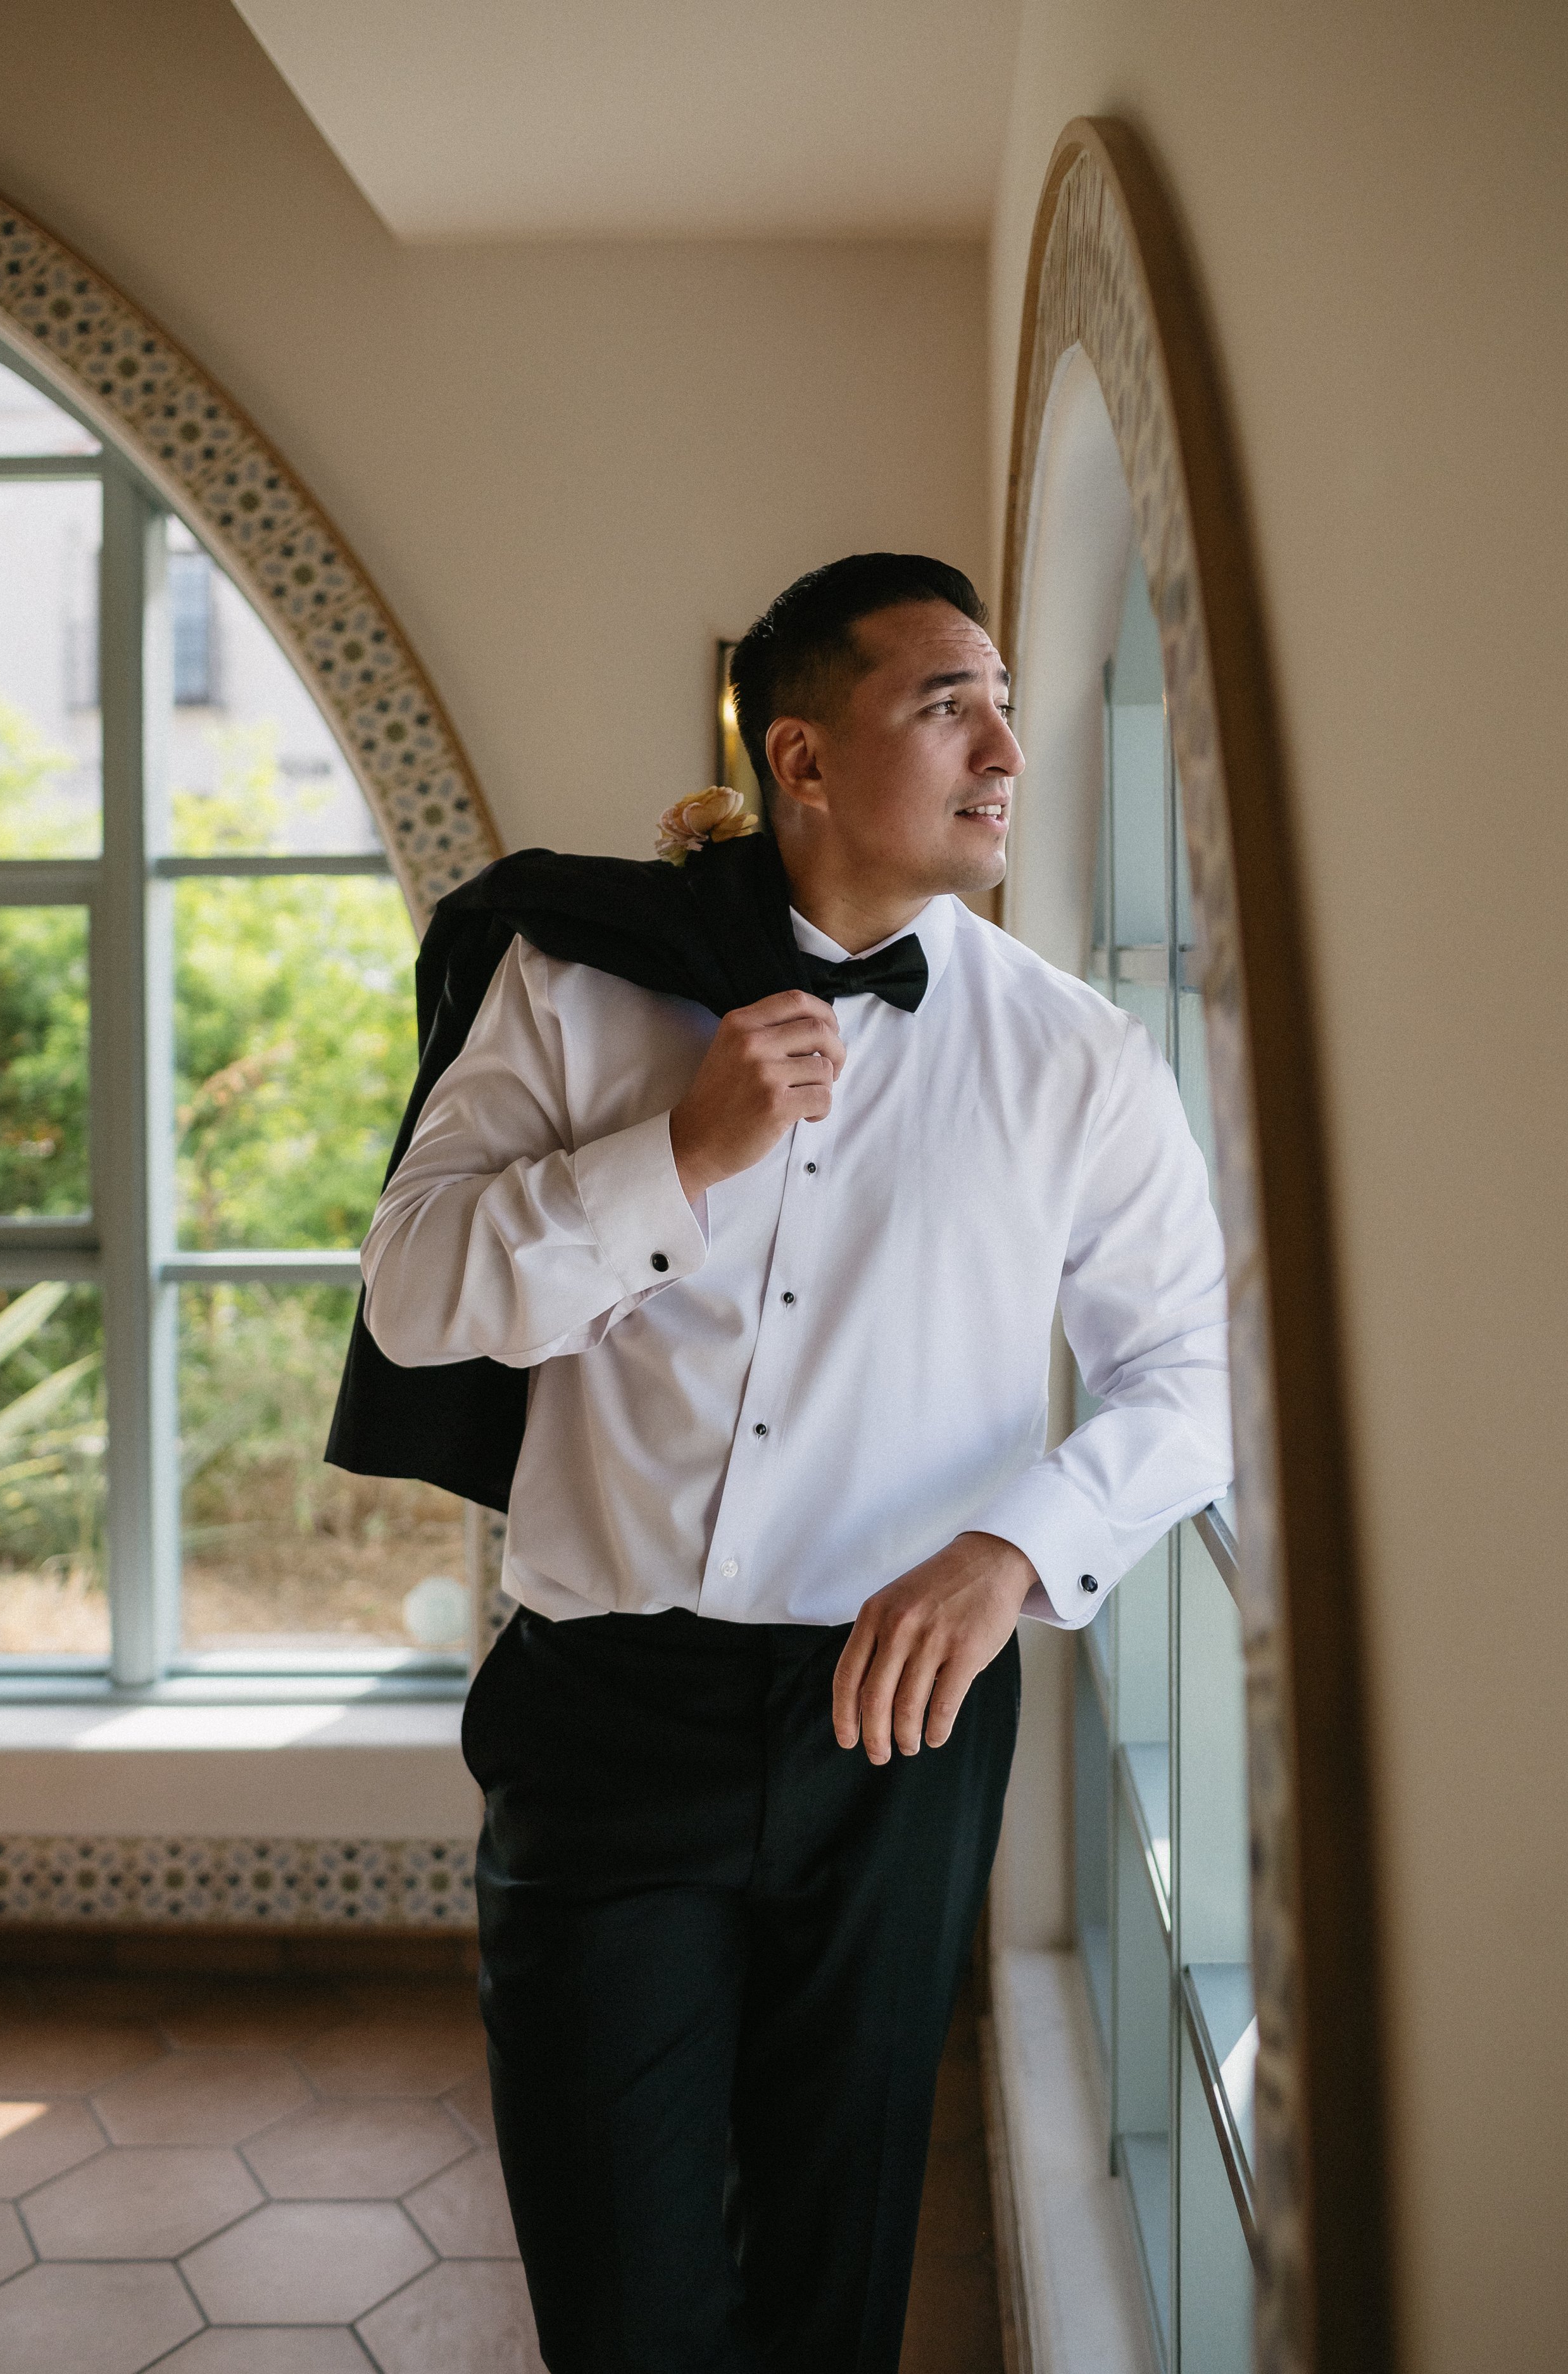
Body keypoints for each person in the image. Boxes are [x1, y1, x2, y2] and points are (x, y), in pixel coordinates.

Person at [358, 552, 1231, 2373]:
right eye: (947, 703)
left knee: (834, 2268)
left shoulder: (1076, 1056)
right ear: (803, 759)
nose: (1005, 744)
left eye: (1003, 701)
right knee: (622, 2283)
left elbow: (1183, 1377)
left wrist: (1016, 1548)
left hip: (893, 1729)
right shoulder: (572, 983)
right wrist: (673, 1156)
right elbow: (421, 1297)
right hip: (606, 1716)